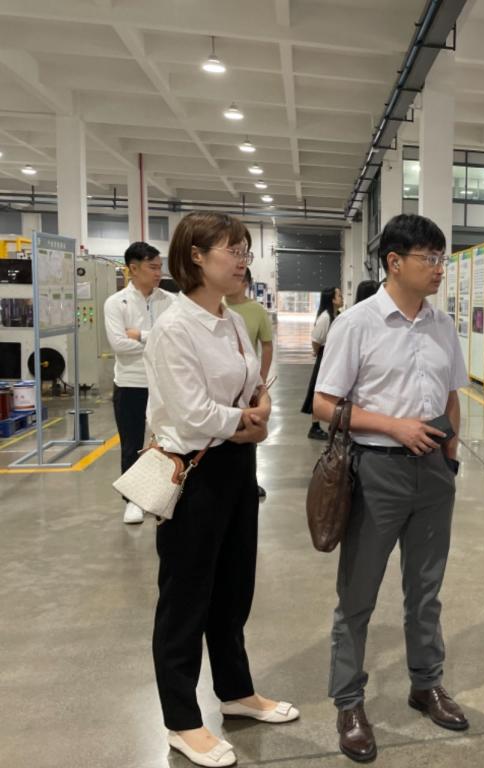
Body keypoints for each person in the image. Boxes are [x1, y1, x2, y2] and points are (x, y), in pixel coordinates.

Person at [313, 214, 468, 763]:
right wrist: (393, 426)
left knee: (425, 590)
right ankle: (349, 701)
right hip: (375, 472)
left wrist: (450, 455)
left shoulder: (442, 325)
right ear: (394, 262)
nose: (439, 269)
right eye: (430, 258)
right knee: (358, 595)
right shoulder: (356, 323)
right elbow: (324, 404)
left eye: (442, 259)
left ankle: (426, 684)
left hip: (433, 473)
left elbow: (451, 394)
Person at [145, 212, 298, 768]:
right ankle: (182, 720)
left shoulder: (232, 319)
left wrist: (261, 406)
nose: (242, 261)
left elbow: (253, 384)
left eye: (245, 251)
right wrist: (245, 422)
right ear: (196, 257)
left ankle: (235, 692)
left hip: (237, 464)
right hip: (194, 470)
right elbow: (190, 413)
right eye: (232, 251)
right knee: (186, 597)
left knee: (233, 587)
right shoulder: (175, 327)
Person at [104, 241, 174, 524]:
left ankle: (165, 493)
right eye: (153, 267)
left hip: (164, 383)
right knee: (131, 444)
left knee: (168, 441)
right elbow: (119, 345)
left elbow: (174, 341)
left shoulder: (170, 301)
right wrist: (156, 340)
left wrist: (141, 335)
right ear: (133, 268)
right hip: (130, 384)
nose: (159, 273)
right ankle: (133, 501)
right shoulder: (115, 303)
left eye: (160, 267)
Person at [225, 265, 273, 500]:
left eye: (238, 276)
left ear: (246, 283)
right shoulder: (217, 306)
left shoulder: (256, 311)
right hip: (222, 384)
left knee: (249, 431)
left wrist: (260, 380)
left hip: (247, 383)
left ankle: (249, 482)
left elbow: (266, 345)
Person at [302, 287, 342, 440]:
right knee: (318, 390)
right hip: (325, 355)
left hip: (334, 356)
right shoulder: (325, 317)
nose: (342, 298)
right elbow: (316, 340)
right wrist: (317, 352)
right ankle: (315, 427)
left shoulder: (338, 315)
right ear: (332, 299)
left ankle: (335, 424)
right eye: (339, 295)